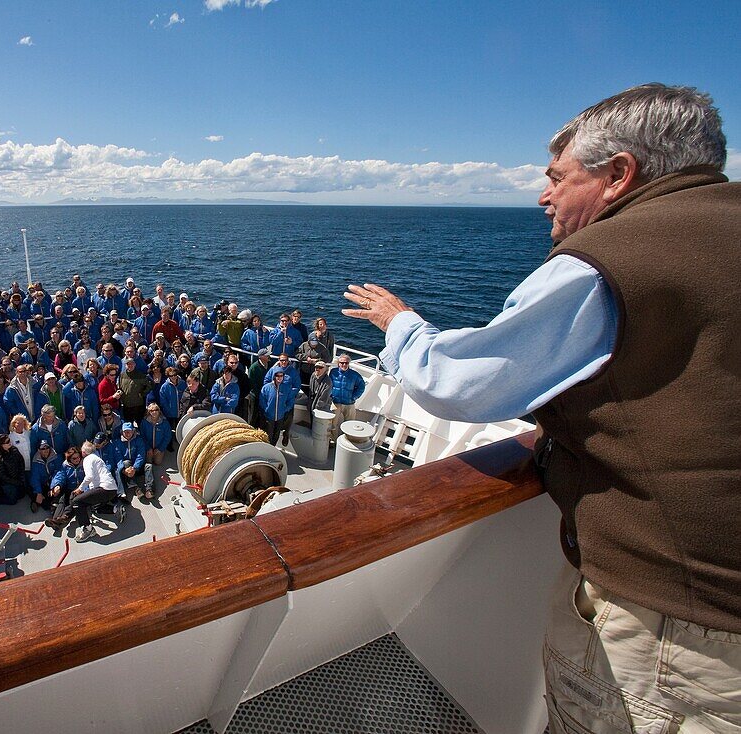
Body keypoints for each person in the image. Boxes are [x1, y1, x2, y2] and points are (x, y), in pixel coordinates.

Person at [341, 84, 739, 730]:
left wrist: (401, 323)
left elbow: (458, 383)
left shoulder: (607, 261)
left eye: (557, 177)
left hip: (677, 631)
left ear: (618, 176)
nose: (542, 195)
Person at [70, 440, 119, 542]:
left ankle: (88, 529)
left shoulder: (88, 459)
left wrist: (80, 489)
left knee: (76, 501)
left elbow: (89, 477)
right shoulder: (97, 458)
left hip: (104, 489)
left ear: (83, 452)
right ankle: (116, 509)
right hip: (112, 489)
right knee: (93, 507)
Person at [327, 355, 365, 441]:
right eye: (342, 363)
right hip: (336, 402)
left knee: (350, 424)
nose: (344, 364)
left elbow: (361, 387)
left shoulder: (355, 375)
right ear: (338, 363)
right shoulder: (333, 372)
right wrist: (331, 395)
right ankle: (332, 441)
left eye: (346, 363)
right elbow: (329, 384)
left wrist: (354, 397)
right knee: (333, 424)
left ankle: (347, 441)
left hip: (349, 403)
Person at [259, 371, 296, 447]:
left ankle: (273, 448)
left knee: (276, 434)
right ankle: (267, 449)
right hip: (269, 417)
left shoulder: (286, 388)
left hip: (280, 417)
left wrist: (286, 409)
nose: (279, 377)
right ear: (274, 376)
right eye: (277, 376)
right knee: (268, 434)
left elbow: (290, 400)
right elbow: (262, 399)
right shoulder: (267, 387)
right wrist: (266, 409)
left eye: (281, 376)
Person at [0, 433, 27, 504]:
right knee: (12, 501)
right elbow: (3, 476)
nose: (10, 443)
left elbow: (21, 462)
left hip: (18, 477)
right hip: (7, 483)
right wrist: (16, 482)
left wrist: (21, 477)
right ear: (1, 445)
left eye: (9, 441)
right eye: (7, 442)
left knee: (22, 495)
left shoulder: (14, 450)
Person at [117, 358, 151, 422]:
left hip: (138, 405)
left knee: (139, 423)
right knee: (128, 424)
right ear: (125, 365)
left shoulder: (140, 375)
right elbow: (120, 386)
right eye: (128, 364)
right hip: (126, 405)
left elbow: (150, 385)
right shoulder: (122, 375)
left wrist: (143, 393)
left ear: (135, 364)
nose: (130, 365)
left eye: (131, 363)